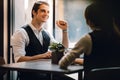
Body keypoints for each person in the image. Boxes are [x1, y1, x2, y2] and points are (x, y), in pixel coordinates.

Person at [11, 1, 74, 80]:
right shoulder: (21, 33)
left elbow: (62, 48)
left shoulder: (46, 34)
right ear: (34, 12)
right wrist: (42, 56)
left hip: (47, 75)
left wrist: (64, 31)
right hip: (30, 76)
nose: (46, 14)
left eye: (48, 12)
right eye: (43, 11)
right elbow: (18, 60)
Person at [59, 2, 120, 78]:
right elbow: (102, 63)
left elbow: (63, 63)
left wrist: (73, 60)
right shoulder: (117, 36)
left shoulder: (88, 39)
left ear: (89, 21)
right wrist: (77, 60)